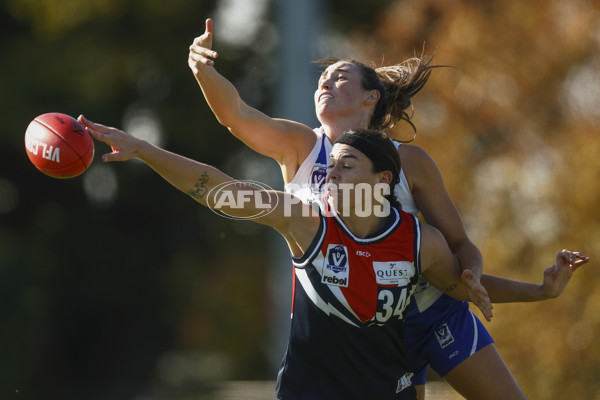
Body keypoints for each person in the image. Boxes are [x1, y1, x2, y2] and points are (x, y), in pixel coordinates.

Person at [187, 18, 589, 399]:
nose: (326, 79)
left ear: (371, 96)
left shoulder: (408, 162)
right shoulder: (300, 147)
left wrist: (475, 278)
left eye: (340, 75)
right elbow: (235, 114)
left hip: (434, 312)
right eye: (323, 77)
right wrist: (203, 70)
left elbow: (460, 246)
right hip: (376, 329)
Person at [78, 118, 587, 400]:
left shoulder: (419, 241)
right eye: (329, 166)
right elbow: (218, 188)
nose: (329, 174)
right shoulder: (305, 222)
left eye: (347, 165)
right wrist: (145, 148)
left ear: (382, 181)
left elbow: (462, 287)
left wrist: (541, 291)